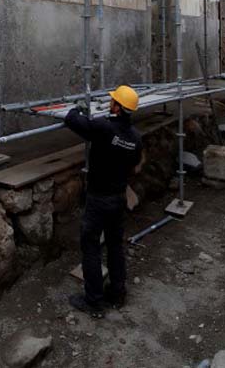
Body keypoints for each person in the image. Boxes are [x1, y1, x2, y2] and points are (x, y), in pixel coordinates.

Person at [63, 85, 143, 317]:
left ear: (117, 107)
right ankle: (117, 293)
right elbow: (134, 165)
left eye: (113, 101)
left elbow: (71, 120)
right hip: (118, 198)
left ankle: (94, 301)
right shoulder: (135, 138)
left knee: (91, 247)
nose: (110, 103)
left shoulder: (104, 128)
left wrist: (78, 108)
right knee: (115, 245)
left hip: (98, 199)